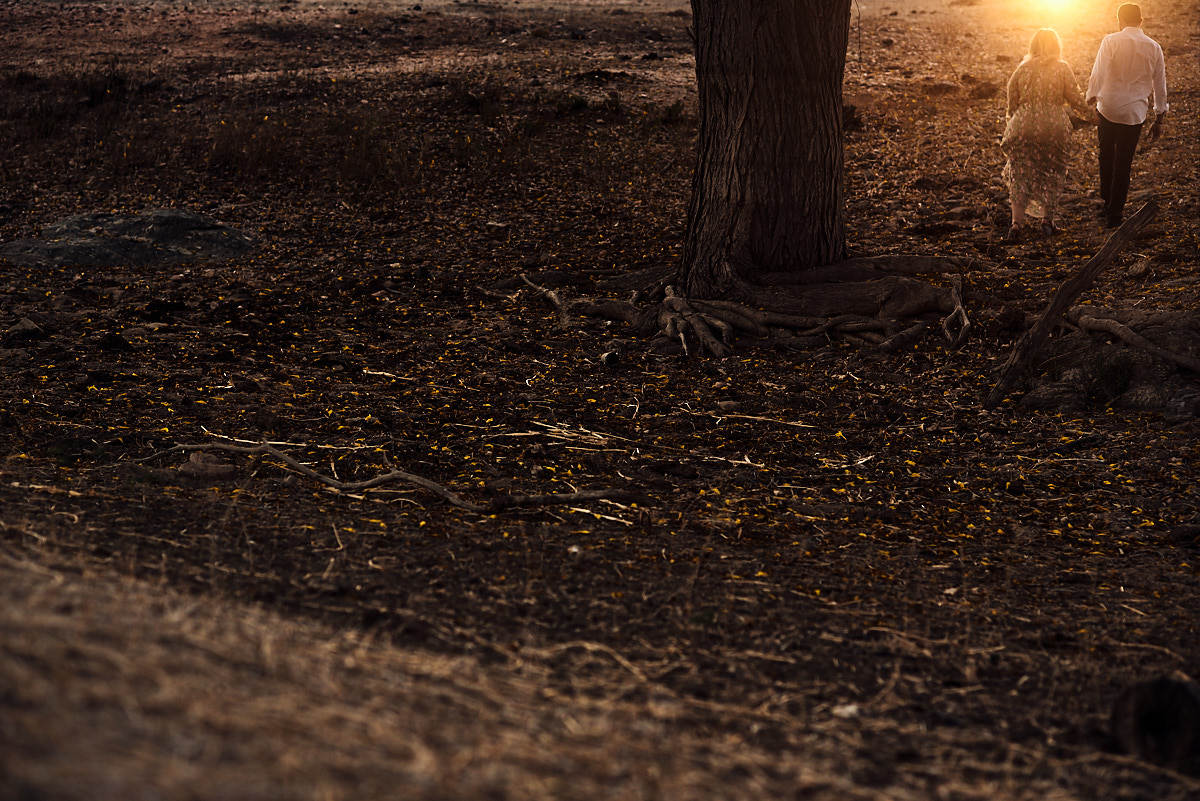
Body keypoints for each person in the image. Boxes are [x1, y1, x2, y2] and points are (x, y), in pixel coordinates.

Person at [1000, 28, 1094, 241]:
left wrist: (1017, 122)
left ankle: (1016, 224)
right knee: (1053, 171)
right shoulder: (1062, 68)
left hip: (1023, 125)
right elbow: (1076, 100)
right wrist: (1094, 117)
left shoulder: (1021, 69)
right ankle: (1047, 221)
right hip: (1053, 128)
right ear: (1056, 46)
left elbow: (1011, 104)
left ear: (1033, 46)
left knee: (1020, 173)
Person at [1086, 3, 1169, 228]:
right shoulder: (1154, 47)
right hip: (1134, 113)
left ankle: (1106, 200)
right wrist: (1159, 117)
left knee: (1106, 155)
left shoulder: (1110, 41)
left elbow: (1098, 73)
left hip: (1108, 108)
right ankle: (1115, 213)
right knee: (1124, 162)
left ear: (1119, 21)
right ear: (1141, 21)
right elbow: (1160, 85)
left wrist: (1090, 98)